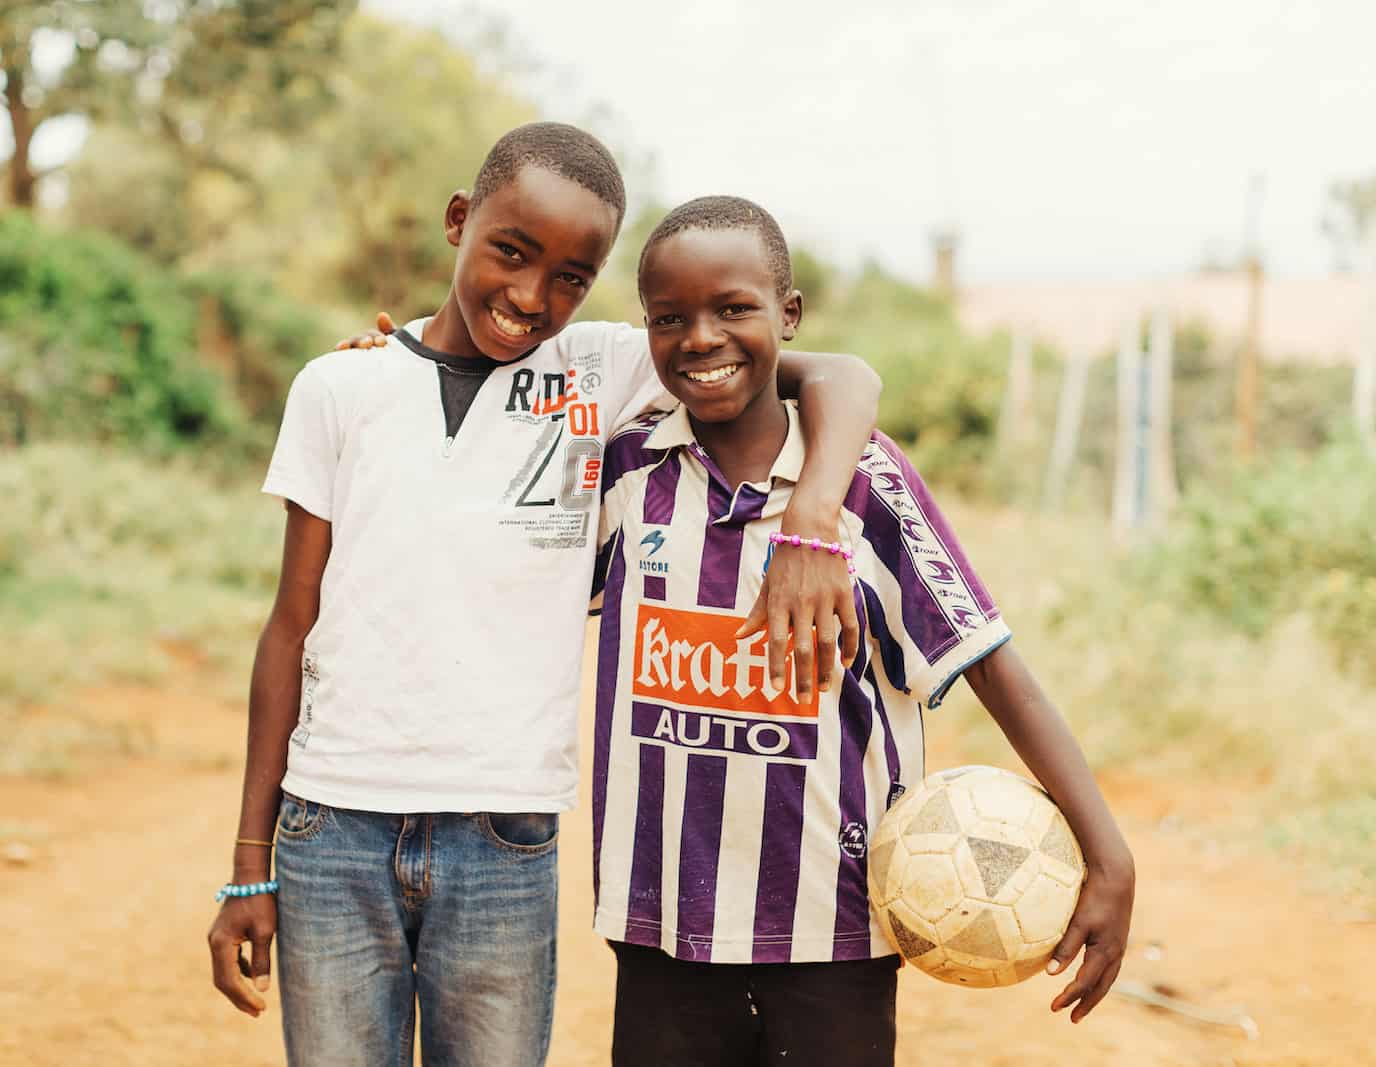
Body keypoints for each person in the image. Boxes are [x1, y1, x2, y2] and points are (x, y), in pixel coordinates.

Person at [205, 124, 884, 1067]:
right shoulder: (340, 387)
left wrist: (812, 513)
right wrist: (249, 865)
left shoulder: (603, 369)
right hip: (331, 826)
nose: (532, 296)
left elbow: (841, 374)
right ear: (458, 221)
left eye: (572, 275)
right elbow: (290, 628)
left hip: (505, 834)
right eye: (511, 252)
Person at [591, 196, 1135, 1066]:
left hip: (831, 929)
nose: (701, 337)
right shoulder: (628, 469)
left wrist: (1109, 854)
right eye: (670, 317)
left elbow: (991, 664)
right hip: (661, 926)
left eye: (734, 308)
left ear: (789, 315)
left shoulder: (867, 484)